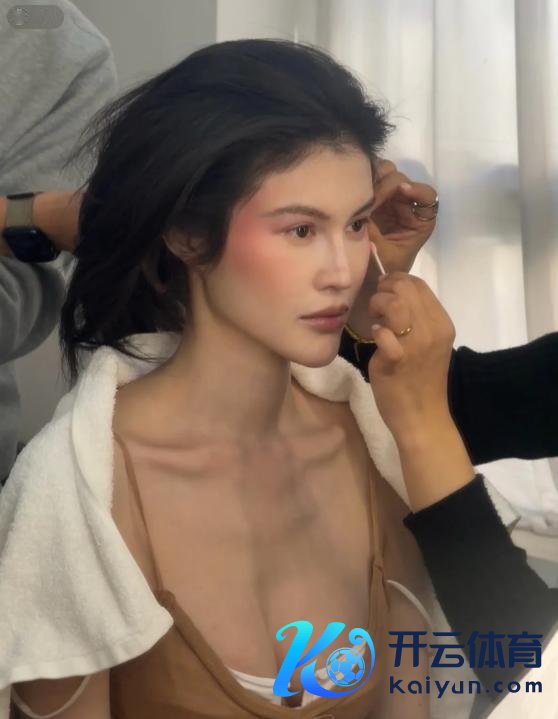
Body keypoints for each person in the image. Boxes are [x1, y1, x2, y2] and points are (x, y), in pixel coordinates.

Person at [0, 38, 489, 719]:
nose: (343, 272)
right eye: (300, 230)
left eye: (355, 225)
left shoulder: (373, 446)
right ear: (186, 235)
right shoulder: (82, 490)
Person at [0, 0, 117, 484]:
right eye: (301, 230)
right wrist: (27, 214)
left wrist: (22, 216)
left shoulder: (57, 43)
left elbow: (14, 300)